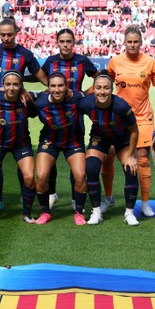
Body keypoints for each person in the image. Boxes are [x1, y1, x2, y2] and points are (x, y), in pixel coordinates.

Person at [103, 25, 155, 217]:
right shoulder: (114, 62)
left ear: (141, 43)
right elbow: (104, 85)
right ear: (124, 43)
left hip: (142, 117)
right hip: (118, 117)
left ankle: (144, 203)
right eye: (129, 42)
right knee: (107, 156)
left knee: (142, 159)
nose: (132, 45)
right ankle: (108, 198)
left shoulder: (150, 63)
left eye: (136, 42)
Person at [0, 18, 48, 212]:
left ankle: (25, 194)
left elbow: (42, 77)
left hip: (17, 108)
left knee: (20, 150)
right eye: (2, 34)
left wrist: (25, 89)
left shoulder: (25, 54)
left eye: (9, 34)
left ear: (16, 33)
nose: (5, 38)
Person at [41, 28, 99, 210]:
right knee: (50, 157)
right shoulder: (51, 61)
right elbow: (42, 78)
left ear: (74, 43)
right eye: (62, 41)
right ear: (57, 43)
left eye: (68, 41)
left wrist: (84, 93)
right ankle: (51, 194)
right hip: (52, 113)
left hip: (75, 115)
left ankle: (76, 198)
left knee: (76, 160)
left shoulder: (82, 61)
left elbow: (98, 79)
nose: (65, 45)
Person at [79, 71, 140, 226]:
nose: (102, 91)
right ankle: (96, 212)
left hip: (122, 138)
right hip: (100, 138)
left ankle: (129, 213)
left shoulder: (121, 106)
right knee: (91, 168)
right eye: (98, 88)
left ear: (111, 89)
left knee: (131, 169)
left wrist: (131, 155)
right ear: (93, 89)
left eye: (106, 88)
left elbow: (134, 131)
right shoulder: (85, 103)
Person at [0, 71, 37, 224]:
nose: (12, 88)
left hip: (21, 143)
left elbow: (47, 94)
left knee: (30, 177)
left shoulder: (27, 99)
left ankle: (26, 213)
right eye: (8, 84)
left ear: (21, 86)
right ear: (3, 86)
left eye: (16, 84)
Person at [32, 72, 88, 225]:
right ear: (48, 88)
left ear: (66, 87)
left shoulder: (76, 97)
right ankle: (45, 212)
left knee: (80, 175)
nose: (57, 89)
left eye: (60, 85)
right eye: (53, 86)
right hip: (50, 141)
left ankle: (79, 212)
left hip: (73, 141)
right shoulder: (40, 103)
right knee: (42, 176)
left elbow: (92, 93)